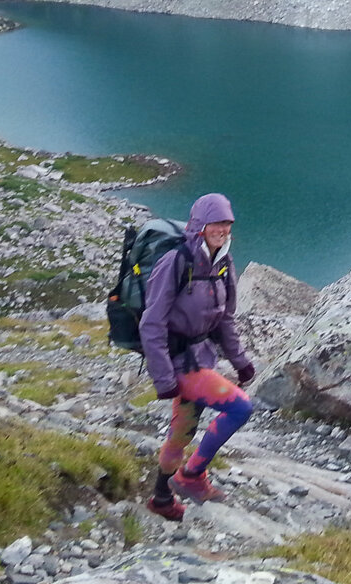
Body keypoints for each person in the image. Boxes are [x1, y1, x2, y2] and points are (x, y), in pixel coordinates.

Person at [139, 192, 255, 520]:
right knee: (240, 406)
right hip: (179, 364)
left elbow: (225, 319)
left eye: (227, 224)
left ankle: (161, 497)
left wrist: (239, 361)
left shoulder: (223, 262)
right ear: (201, 225)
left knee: (182, 430)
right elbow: (152, 322)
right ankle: (190, 476)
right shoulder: (176, 261)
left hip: (203, 358)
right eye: (216, 223)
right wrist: (162, 378)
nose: (222, 229)